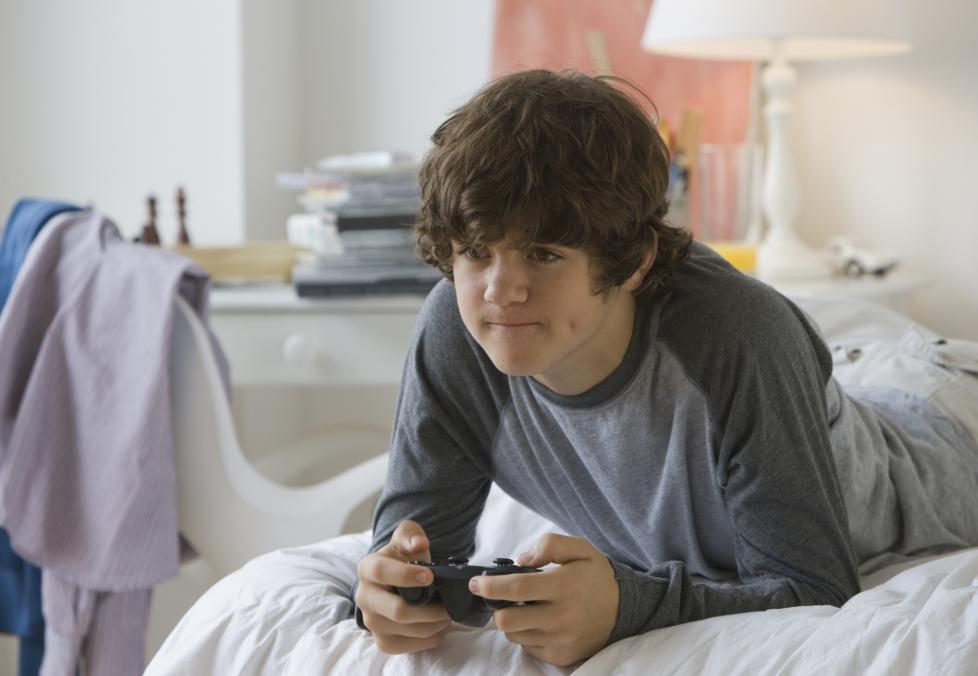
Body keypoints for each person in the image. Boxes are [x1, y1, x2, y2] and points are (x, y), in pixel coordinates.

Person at [352, 69, 978, 667]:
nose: (499, 290)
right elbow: (413, 547)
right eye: (477, 251)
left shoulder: (738, 334)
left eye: (543, 254)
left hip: (947, 422)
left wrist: (628, 606)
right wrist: (391, 585)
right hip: (844, 386)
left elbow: (813, 588)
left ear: (632, 262)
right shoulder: (454, 330)